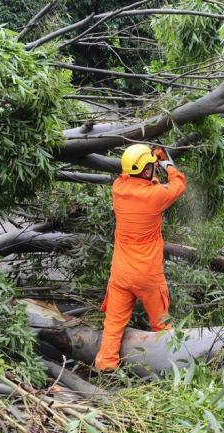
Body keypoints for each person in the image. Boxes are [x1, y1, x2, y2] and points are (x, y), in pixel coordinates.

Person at [94, 143, 187, 372]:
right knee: (162, 325)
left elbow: (129, 175)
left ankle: (106, 366)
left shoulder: (118, 188)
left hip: (121, 273)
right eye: (151, 168)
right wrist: (166, 163)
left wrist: (148, 164)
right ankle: (172, 368)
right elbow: (179, 184)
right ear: (147, 170)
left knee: (113, 325)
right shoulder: (156, 195)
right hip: (148, 275)